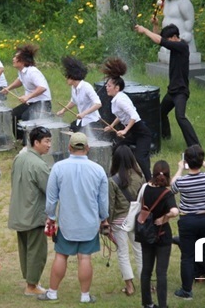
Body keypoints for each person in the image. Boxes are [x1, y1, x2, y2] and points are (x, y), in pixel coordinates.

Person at [38, 132, 109, 303]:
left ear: (69, 148)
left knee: (61, 255)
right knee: (85, 257)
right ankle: (85, 296)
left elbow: (51, 197)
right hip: (89, 223)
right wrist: (104, 218)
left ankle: (53, 292)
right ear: (87, 148)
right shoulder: (98, 170)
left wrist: (51, 216)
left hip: (67, 223)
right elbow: (103, 200)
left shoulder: (58, 167)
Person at [170, 144, 205, 299]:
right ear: (200, 161)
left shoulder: (182, 182)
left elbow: (171, 186)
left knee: (187, 256)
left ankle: (186, 291)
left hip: (187, 220)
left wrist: (180, 168)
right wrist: (203, 162)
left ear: (187, 161)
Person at [135, 23, 200, 147]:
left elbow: (161, 41)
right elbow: (161, 39)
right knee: (161, 112)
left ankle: (195, 145)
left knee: (180, 117)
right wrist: (155, 27)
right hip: (172, 91)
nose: (168, 43)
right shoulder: (176, 44)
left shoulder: (182, 46)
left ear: (175, 37)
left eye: (169, 39)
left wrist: (145, 30)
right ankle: (166, 136)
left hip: (181, 91)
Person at [8, 126, 52, 296]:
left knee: (25, 249)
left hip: (19, 210)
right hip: (33, 213)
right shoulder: (39, 164)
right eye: (46, 141)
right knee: (37, 252)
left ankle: (31, 281)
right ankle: (31, 286)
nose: (49, 145)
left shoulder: (20, 157)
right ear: (36, 142)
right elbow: (50, 190)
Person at [102, 57, 152, 181]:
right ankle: (117, 174)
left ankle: (149, 181)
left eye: (109, 86)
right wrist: (112, 126)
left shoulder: (121, 99)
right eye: (106, 85)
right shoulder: (116, 99)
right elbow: (121, 116)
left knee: (140, 157)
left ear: (117, 88)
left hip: (141, 133)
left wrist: (124, 131)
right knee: (117, 149)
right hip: (134, 132)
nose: (106, 88)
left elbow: (134, 115)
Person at [139, 160, 179, 308]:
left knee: (146, 270)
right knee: (161, 273)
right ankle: (163, 305)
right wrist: (165, 217)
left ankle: (147, 303)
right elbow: (175, 211)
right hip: (162, 234)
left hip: (146, 233)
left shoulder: (144, 188)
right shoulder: (167, 193)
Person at [107, 145, 145, 296]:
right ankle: (145, 285)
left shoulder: (112, 181)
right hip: (136, 219)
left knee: (122, 253)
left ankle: (129, 286)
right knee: (140, 252)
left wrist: (107, 224)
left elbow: (110, 205)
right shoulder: (140, 177)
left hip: (118, 222)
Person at [2, 45, 52, 141]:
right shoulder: (21, 71)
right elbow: (20, 81)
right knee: (13, 114)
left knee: (26, 117)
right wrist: (8, 88)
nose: (13, 59)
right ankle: (20, 139)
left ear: (23, 61)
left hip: (43, 103)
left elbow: (42, 87)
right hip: (31, 102)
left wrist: (27, 96)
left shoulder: (33, 72)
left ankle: (29, 142)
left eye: (16, 57)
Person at [56, 56, 102, 133]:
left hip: (92, 121)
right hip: (82, 120)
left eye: (67, 77)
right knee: (71, 129)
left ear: (72, 77)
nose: (66, 80)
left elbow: (98, 104)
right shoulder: (73, 88)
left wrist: (84, 113)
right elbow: (73, 101)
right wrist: (63, 110)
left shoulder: (87, 87)